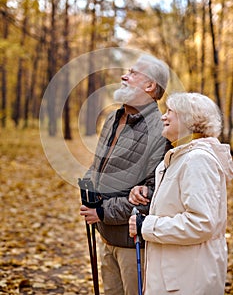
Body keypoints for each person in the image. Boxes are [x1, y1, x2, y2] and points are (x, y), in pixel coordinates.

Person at [80, 53, 170, 295]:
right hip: (105, 234)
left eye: (132, 73)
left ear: (150, 86)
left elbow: (153, 195)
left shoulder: (161, 130)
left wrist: (102, 212)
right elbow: (98, 165)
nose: (123, 76)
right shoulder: (113, 117)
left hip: (134, 243)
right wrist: (89, 194)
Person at [129, 92, 233, 295]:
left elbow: (201, 223)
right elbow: (177, 202)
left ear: (189, 119)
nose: (163, 117)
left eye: (170, 112)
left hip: (189, 280)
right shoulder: (176, 159)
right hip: (173, 276)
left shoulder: (198, 160)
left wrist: (146, 225)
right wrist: (147, 193)